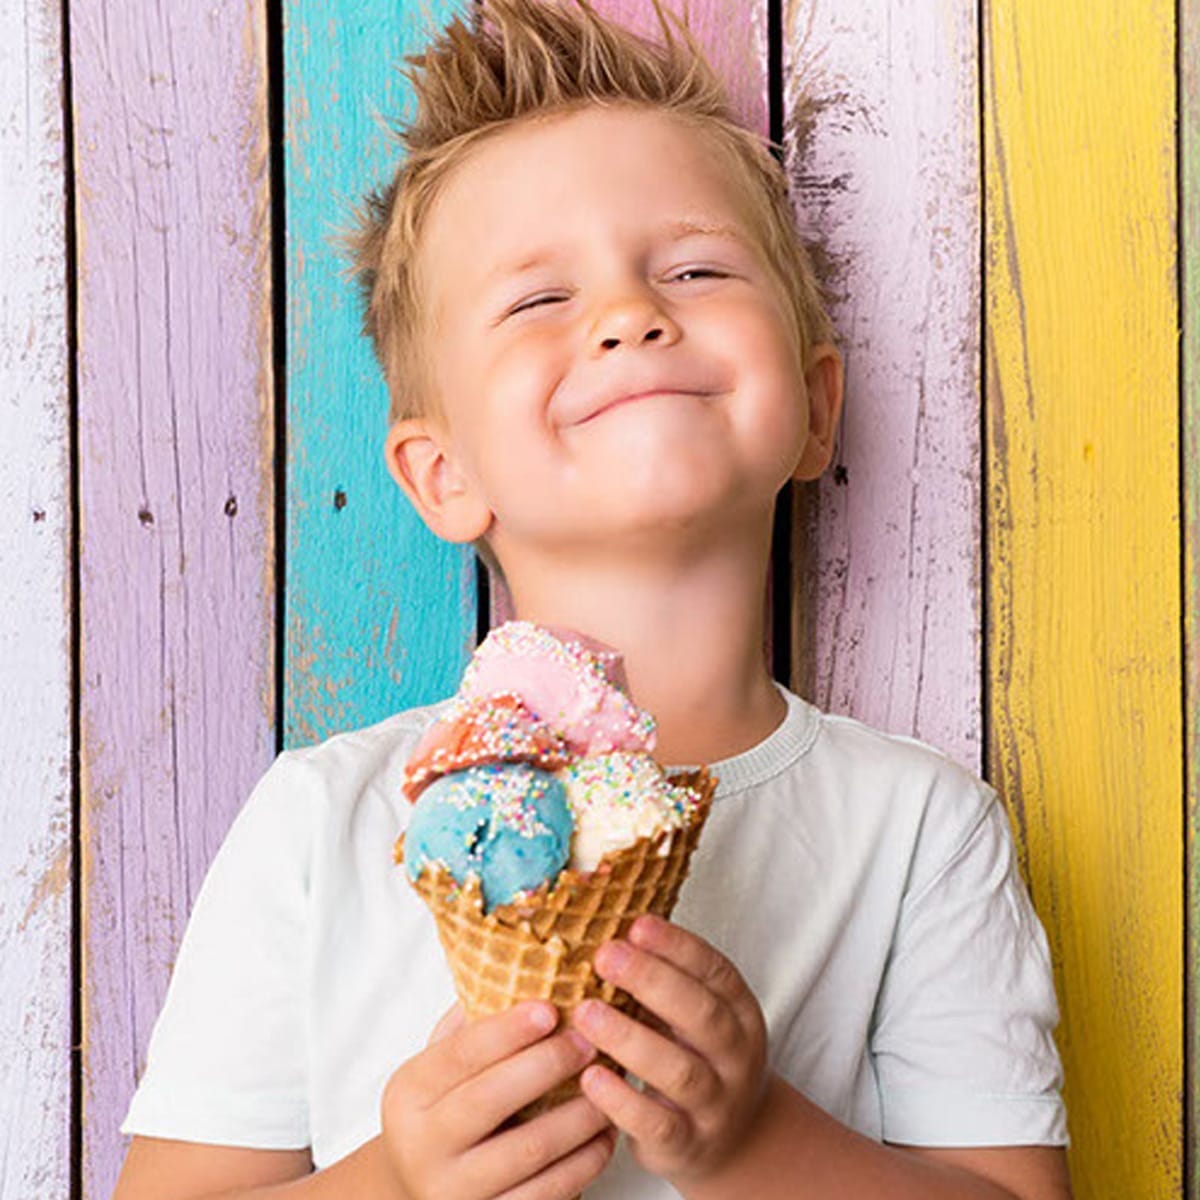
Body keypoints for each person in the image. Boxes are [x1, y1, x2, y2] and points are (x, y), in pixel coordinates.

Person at [113, 1, 1072, 1197]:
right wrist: (399, 1181)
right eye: (536, 300)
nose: (630, 314)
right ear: (442, 474)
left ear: (817, 408)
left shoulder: (922, 830)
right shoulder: (321, 825)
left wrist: (756, 1139)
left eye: (696, 268)